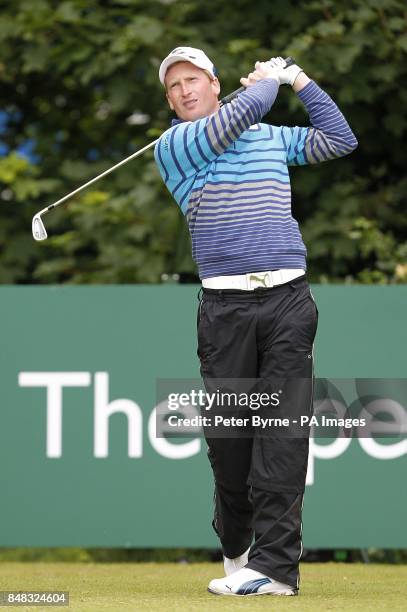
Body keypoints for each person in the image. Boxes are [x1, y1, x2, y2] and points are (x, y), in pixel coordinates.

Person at [154, 46, 357, 597]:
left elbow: (341, 139)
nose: (184, 90)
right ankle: (238, 544)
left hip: (288, 300)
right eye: (174, 87)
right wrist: (271, 78)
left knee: (283, 435)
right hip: (225, 310)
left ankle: (275, 570)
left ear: (215, 84)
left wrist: (302, 80)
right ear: (170, 103)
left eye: (193, 79)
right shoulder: (176, 147)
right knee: (231, 446)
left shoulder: (268, 136)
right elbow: (247, 110)